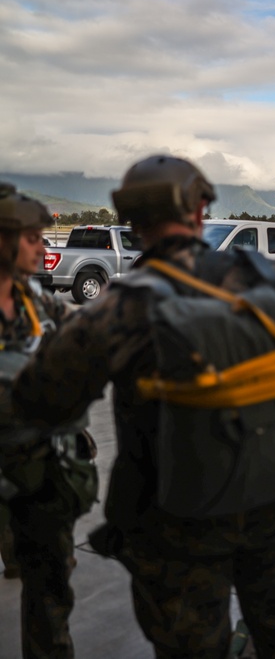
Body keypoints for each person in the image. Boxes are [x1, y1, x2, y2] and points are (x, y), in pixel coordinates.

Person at [8, 155, 275, 658]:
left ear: (130, 219)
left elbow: (44, 400)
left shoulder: (123, 307)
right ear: (202, 207)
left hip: (178, 530)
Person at [0, 186, 97, 659]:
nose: (44, 247)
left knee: (50, 590)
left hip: (38, 478)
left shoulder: (35, 301)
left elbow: (83, 342)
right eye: (32, 238)